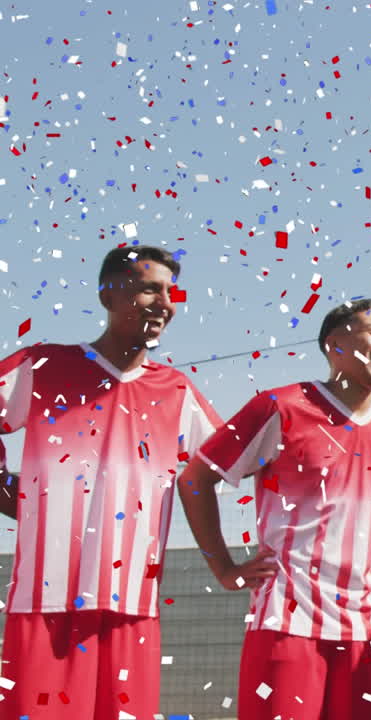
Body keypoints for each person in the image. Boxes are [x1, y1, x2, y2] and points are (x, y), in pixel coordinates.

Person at [0, 245, 222, 720]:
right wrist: (10, 493)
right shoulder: (42, 365)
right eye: (149, 288)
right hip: (46, 597)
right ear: (108, 293)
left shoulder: (177, 390)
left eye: (170, 291)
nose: (165, 302)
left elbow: (230, 465)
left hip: (133, 606)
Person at [177, 298, 371, 720]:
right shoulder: (280, 407)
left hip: (367, 629)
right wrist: (225, 570)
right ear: (333, 343)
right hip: (289, 622)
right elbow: (194, 479)